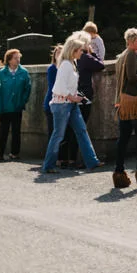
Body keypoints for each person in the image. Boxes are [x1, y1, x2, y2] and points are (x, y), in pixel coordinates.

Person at [42, 34, 102, 173]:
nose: (83, 52)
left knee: (81, 131)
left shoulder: (70, 63)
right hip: (62, 104)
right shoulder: (66, 65)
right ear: (73, 50)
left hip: (69, 103)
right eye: (80, 50)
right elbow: (58, 88)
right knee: (59, 135)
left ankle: (92, 161)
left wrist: (74, 97)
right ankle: (48, 165)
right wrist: (73, 97)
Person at [113, 27, 137, 188]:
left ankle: (119, 172)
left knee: (124, 137)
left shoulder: (123, 55)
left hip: (123, 99)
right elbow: (131, 77)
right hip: (134, 100)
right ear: (130, 41)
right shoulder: (130, 55)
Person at [0, 48, 31, 160]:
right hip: (5, 108)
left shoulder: (24, 72)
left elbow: (27, 88)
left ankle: (15, 153)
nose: (18, 60)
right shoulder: (2, 73)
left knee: (16, 131)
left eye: (19, 58)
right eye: (15, 58)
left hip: (17, 107)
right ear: (9, 60)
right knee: (3, 131)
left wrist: (22, 101)